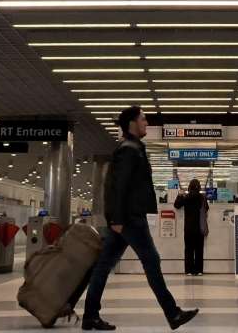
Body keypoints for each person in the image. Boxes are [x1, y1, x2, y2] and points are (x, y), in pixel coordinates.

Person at [82, 106, 199, 332]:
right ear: (132, 124)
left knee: (103, 265)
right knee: (151, 261)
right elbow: (116, 186)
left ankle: (90, 316)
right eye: (144, 119)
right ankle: (173, 313)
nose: (147, 123)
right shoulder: (128, 149)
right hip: (129, 218)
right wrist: (116, 218)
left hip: (126, 217)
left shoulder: (133, 148)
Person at [174, 179, 208, 276]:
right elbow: (207, 208)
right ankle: (199, 270)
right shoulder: (202, 197)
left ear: (189, 187)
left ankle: (189, 270)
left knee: (188, 249)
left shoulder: (186, 197)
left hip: (188, 227)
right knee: (199, 249)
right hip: (199, 227)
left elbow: (177, 205)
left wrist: (180, 195)